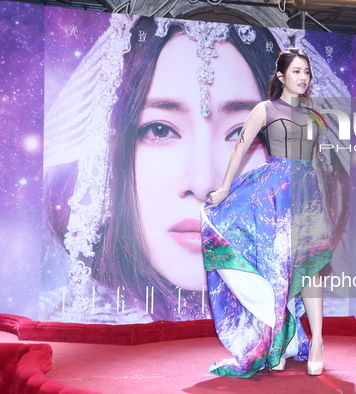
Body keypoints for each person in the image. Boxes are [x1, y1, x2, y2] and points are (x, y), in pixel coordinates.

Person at [41, 16, 284, 323]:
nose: (204, 183)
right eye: (159, 130)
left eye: (243, 134)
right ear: (109, 152)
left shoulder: (325, 322)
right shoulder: (59, 325)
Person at [201, 48, 330, 378]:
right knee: (279, 272)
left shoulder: (314, 118)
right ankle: (278, 342)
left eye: (307, 73)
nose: (303, 78)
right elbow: (239, 150)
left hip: (307, 199)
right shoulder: (265, 109)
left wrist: (320, 207)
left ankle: (317, 343)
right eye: (297, 71)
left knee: (311, 268)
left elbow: (313, 165)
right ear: (282, 76)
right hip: (274, 200)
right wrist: (225, 189)